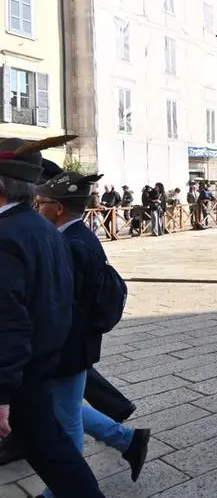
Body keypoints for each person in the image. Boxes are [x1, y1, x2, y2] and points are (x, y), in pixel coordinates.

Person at [0, 136, 106, 498]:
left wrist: (2, 393)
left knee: (52, 450)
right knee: (51, 450)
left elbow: (9, 320)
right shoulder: (40, 228)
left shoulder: (7, 235)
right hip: (39, 363)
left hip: (20, 372)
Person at [33, 172, 151, 493]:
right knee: (64, 407)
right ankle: (126, 439)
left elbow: (61, 306)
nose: (36, 207)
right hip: (74, 345)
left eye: (40, 203)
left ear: (57, 208)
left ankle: (63, 490)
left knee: (66, 421)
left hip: (65, 347)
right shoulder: (80, 236)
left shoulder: (68, 245)